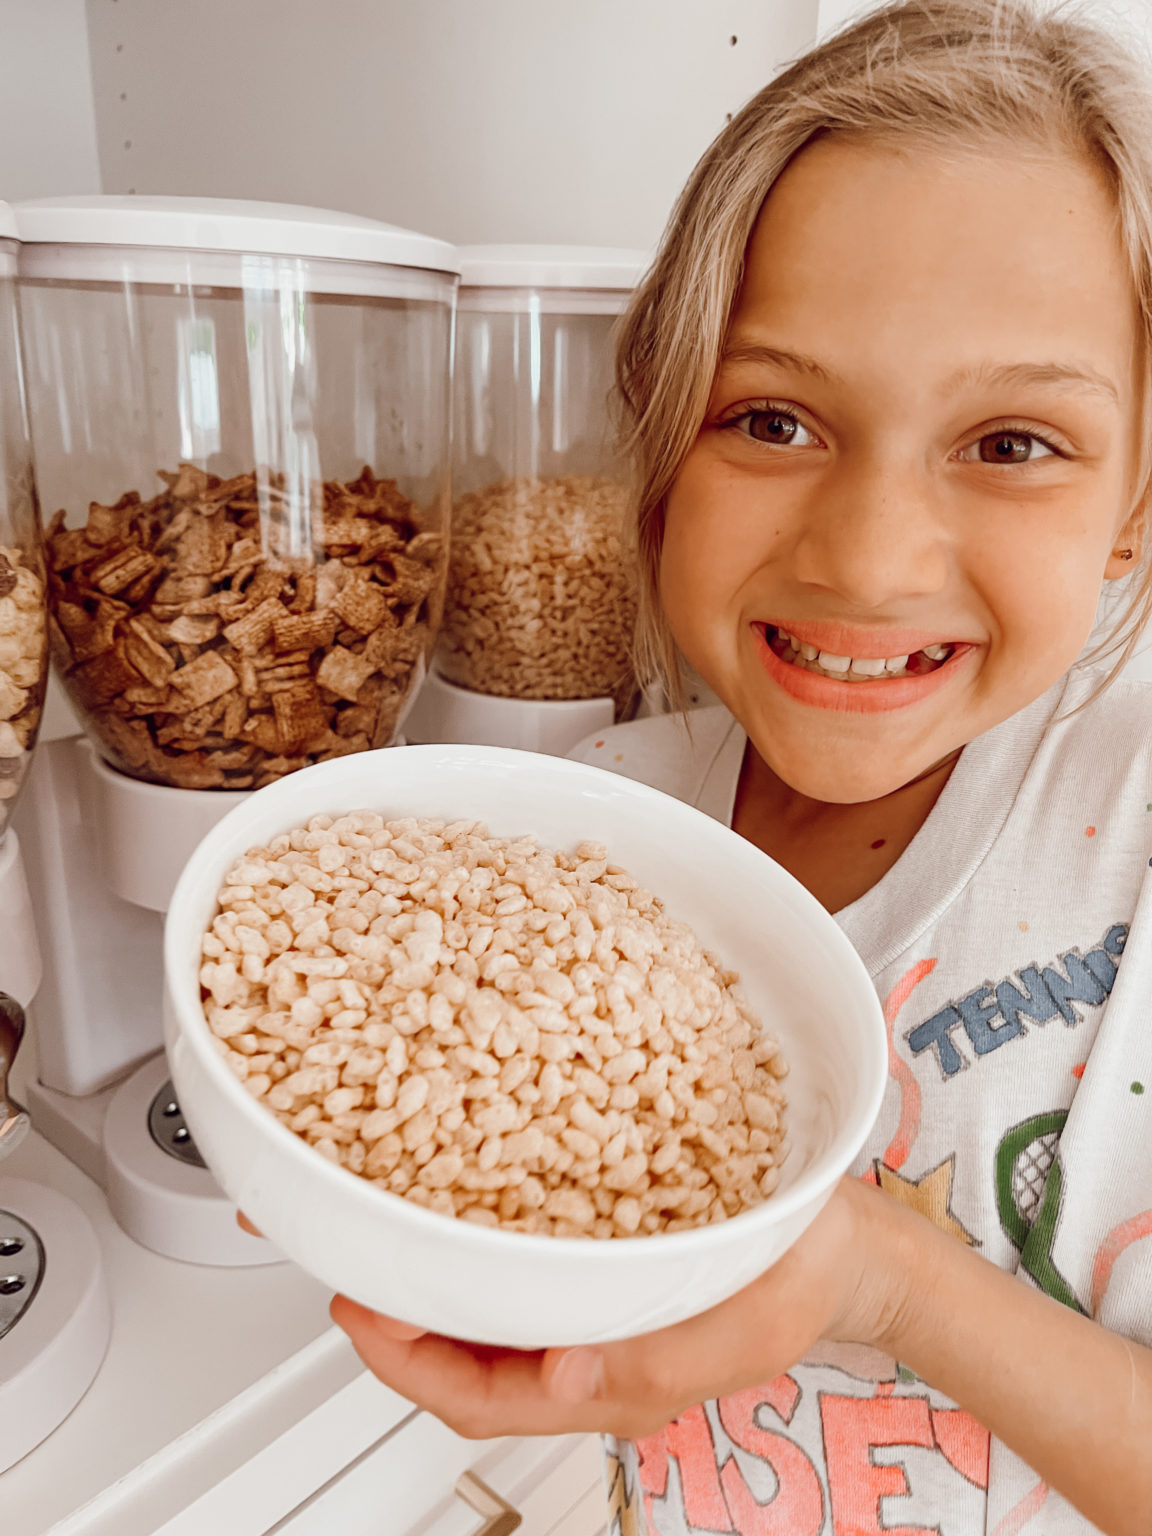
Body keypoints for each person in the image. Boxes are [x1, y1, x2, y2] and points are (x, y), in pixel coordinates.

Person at [329, 2, 1152, 1530]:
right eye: (771, 417)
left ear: (1133, 503)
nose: (869, 558)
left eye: (1016, 442)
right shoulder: (608, 837)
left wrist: (891, 1286)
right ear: (663, 442)